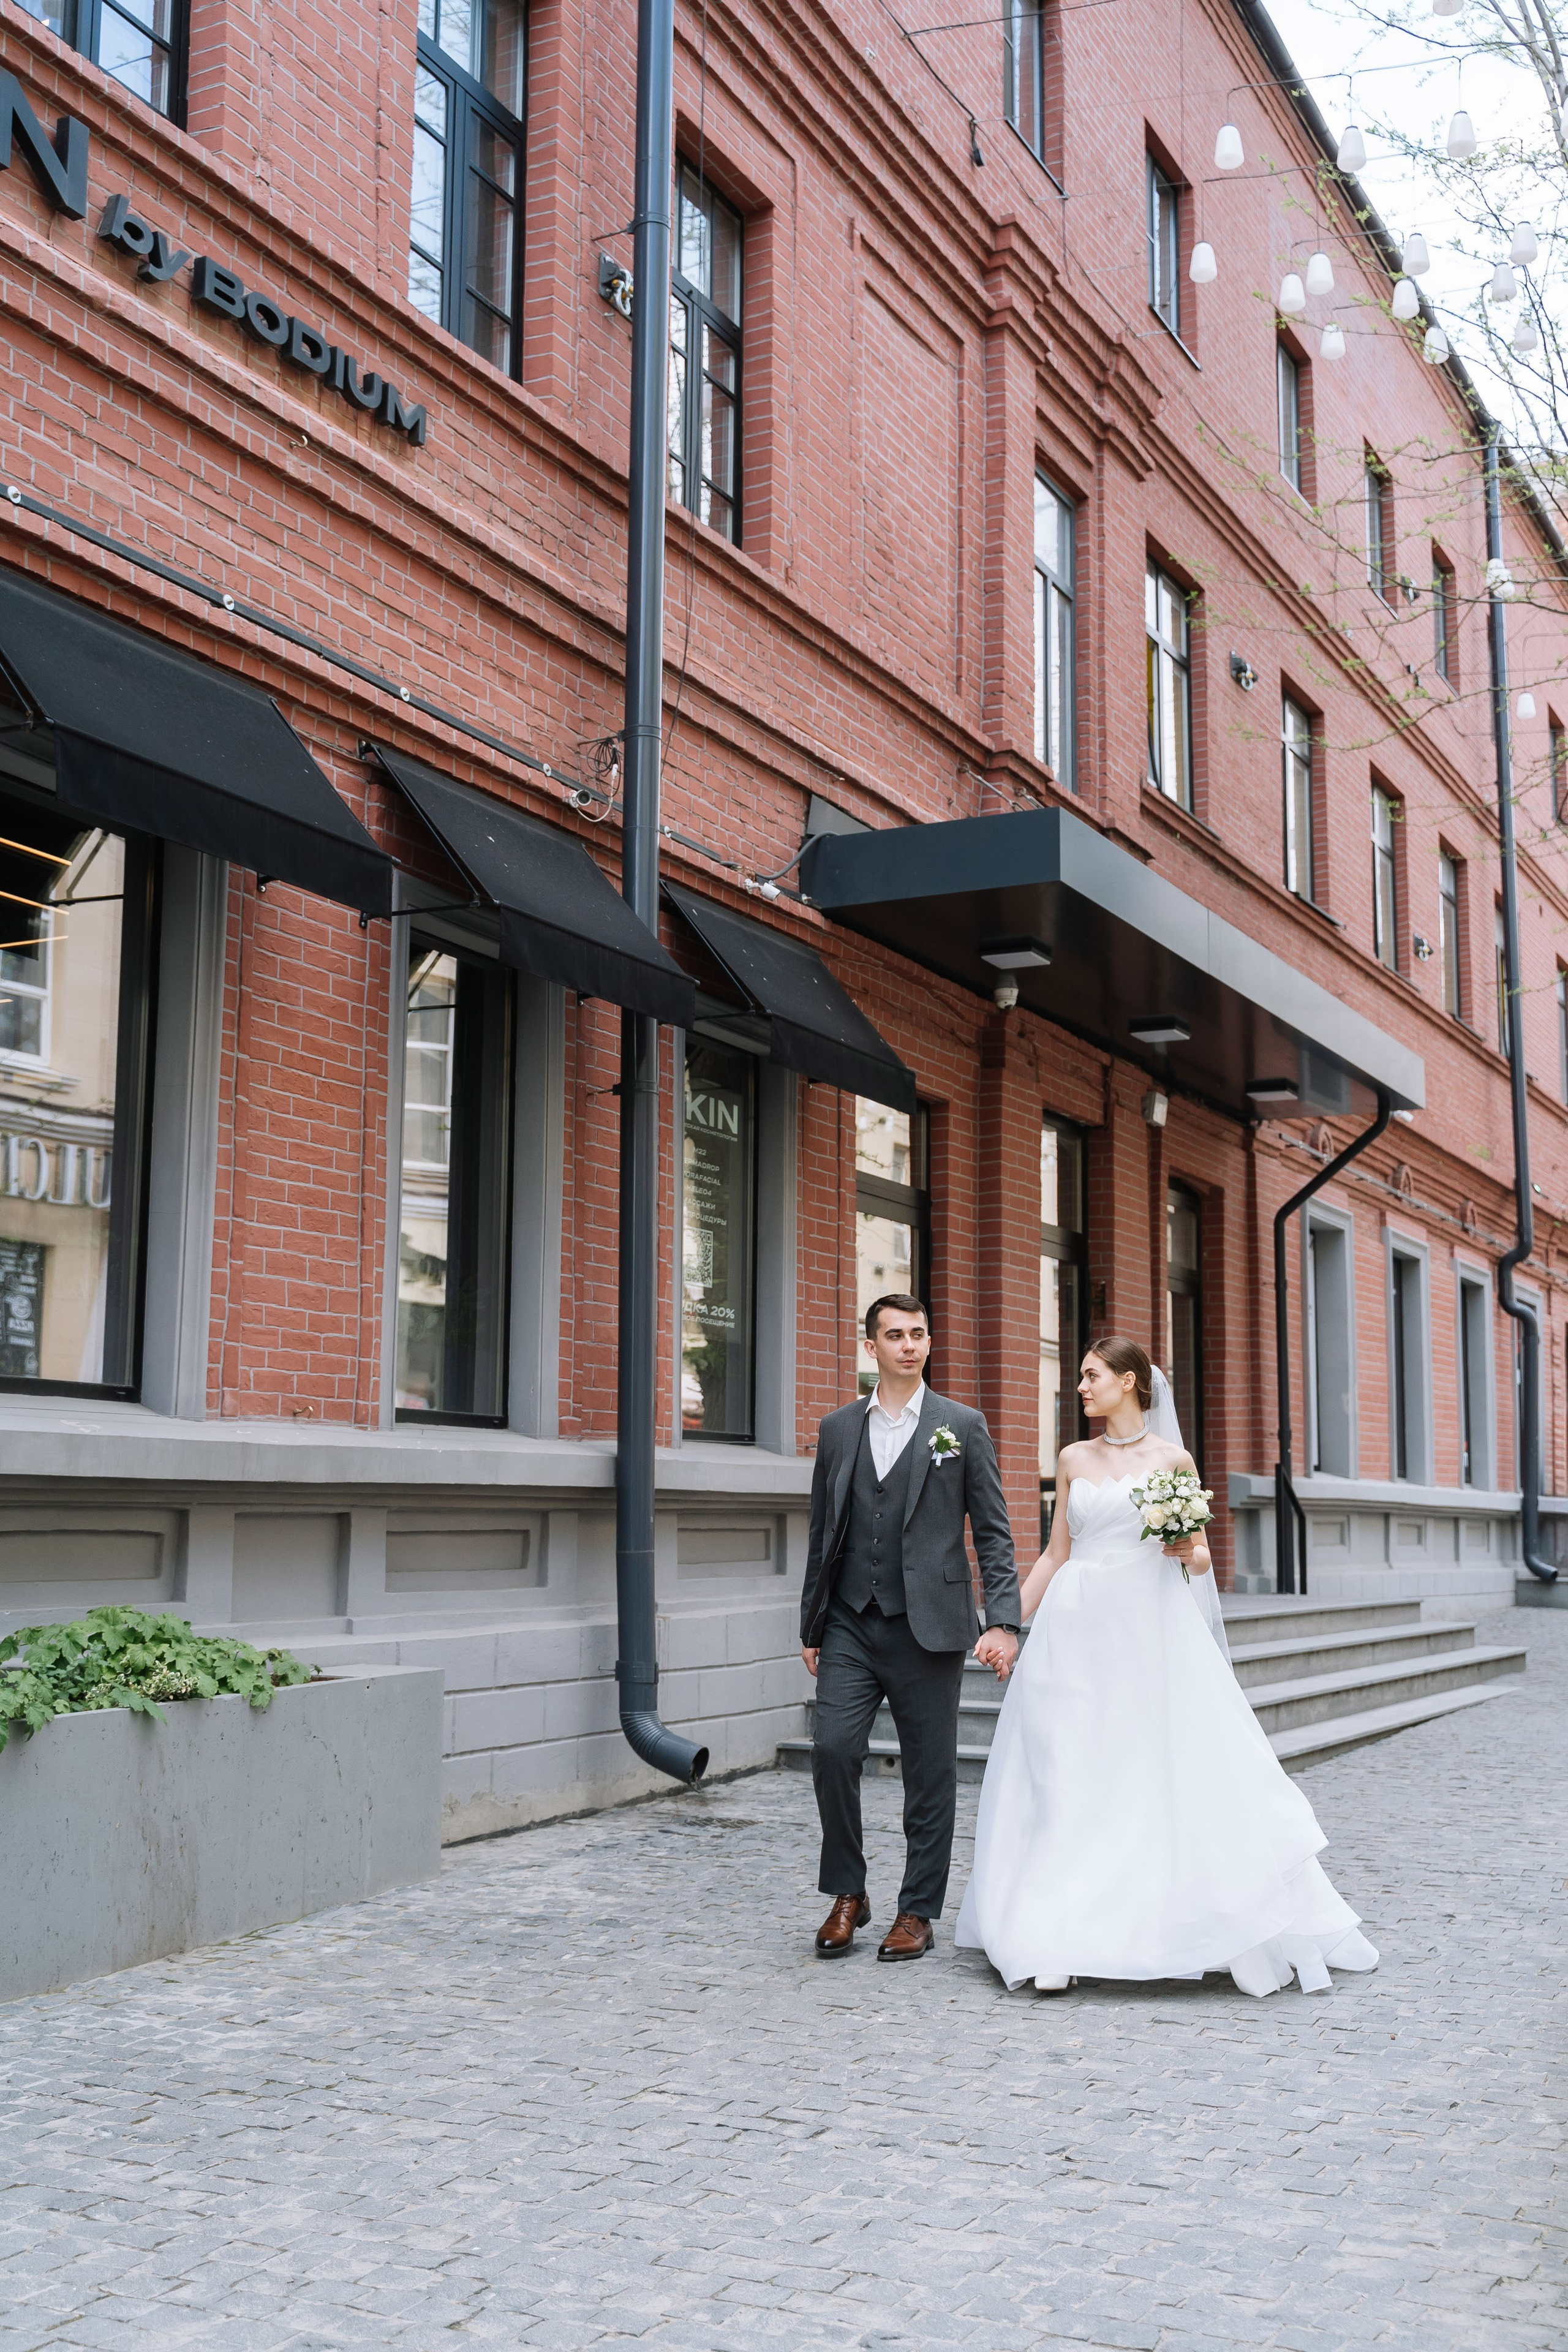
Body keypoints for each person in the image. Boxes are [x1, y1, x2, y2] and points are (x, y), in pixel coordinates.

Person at [955, 1335, 1379, 1999]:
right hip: (1074, 1631)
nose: (1081, 1387)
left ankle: (1156, 1921)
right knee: (1065, 1769)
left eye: (1092, 1376)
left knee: (1148, 1770)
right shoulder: (1071, 1457)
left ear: (1129, 1382)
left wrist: (1190, 1552)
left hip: (1149, 1632)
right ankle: (1053, 1936)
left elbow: (1201, 1559)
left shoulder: (1173, 1459)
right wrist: (1006, 1627)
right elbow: (1054, 1553)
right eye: (1081, 1377)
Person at [801, 1294, 1020, 1962]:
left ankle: (917, 1910)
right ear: (870, 1348)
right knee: (833, 1748)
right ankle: (848, 1892)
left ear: (928, 1343)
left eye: (918, 1334)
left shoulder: (962, 1425)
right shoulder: (839, 1428)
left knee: (929, 1774)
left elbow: (993, 1531)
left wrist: (1005, 1620)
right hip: (847, 1621)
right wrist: (810, 1623)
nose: (907, 1345)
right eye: (893, 1335)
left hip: (929, 1625)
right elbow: (822, 1532)